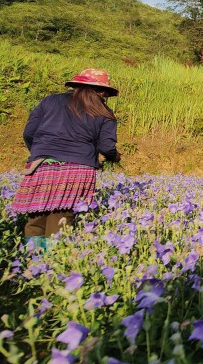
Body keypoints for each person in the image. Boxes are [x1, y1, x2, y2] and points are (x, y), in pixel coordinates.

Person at [10, 68, 121, 250]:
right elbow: (106, 147)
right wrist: (115, 157)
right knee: (60, 220)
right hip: (77, 171)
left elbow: (29, 133)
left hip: (42, 166)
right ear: (103, 92)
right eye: (105, 93)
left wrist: (41, 152)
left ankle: (32, 264)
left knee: (36, 218)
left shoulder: (50, 101)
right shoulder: (105, 113)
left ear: (76, 85)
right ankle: (52, 267)